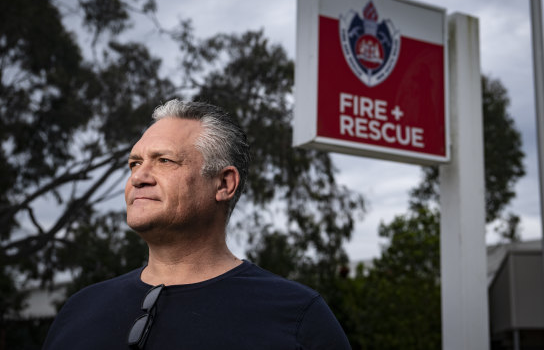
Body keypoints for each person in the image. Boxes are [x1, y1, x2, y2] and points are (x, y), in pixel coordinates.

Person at [43, 99, 351, 350]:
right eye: (135, 163)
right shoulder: (79, 310)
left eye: (164, 161)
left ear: (223, 183)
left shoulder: (297, 316)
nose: (138, 177)